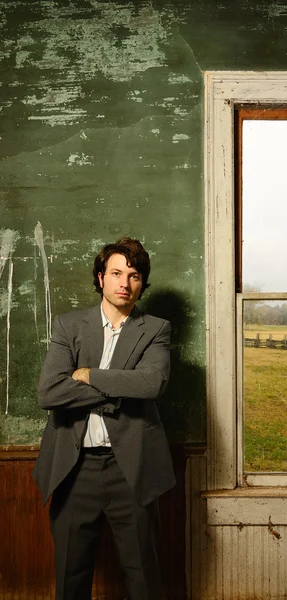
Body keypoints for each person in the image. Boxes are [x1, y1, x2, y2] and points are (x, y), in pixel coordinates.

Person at [32, 236, 175, 600]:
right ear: (100, 277)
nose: (125, 283)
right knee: (71, 576)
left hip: (131, 467)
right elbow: (49, 393)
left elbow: (152, 383)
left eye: (134, 275)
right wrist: (121, 388)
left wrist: (90, 375)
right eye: (116, 273)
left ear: (142, 283)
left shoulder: (156, 329)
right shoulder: (68, 326)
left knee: (143, 576)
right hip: (73, 467)